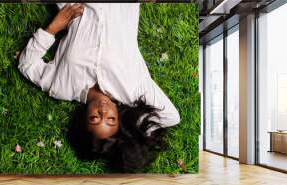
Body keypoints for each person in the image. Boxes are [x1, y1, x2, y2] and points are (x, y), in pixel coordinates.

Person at [18, 3, 180, 172]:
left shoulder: (61, 87)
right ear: (119, 118)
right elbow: (171, 117)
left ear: (83, 120)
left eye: (94, 119)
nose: (104, 112)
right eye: (111, 120)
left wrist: (53, 28)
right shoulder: (133, 90)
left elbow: (27, 64)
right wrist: (133, 128)